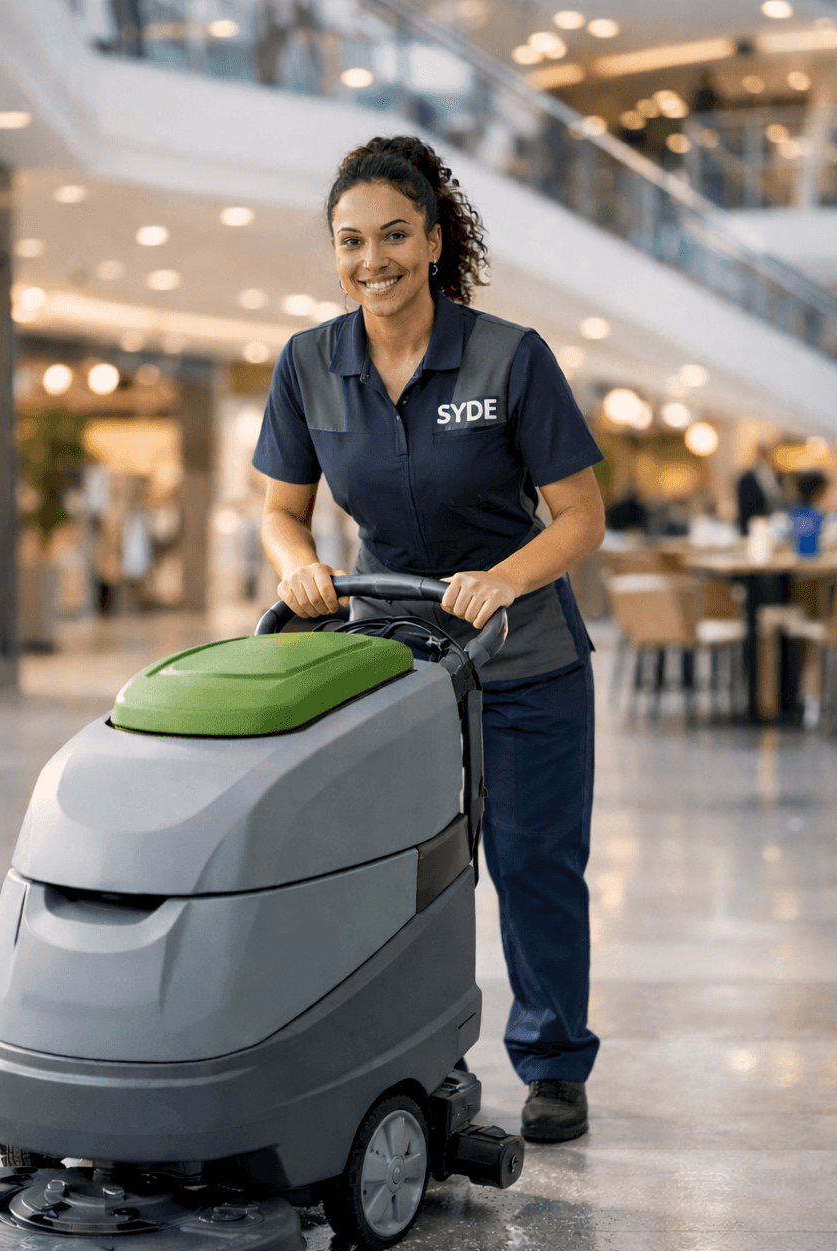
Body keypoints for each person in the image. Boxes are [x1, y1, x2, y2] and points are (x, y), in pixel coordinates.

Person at [254, 135, 605, 1143]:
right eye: (353, 241)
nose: (375, 259)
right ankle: (407, 1052)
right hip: (395, 666)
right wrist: (296, 561)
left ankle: (552, 1063)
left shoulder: (508, 357)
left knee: (533, 861)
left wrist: (503, 578)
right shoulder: (309, 364)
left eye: (395, 235)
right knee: (402, 866)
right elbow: (280, 510)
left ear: (433, 239)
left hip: (525, 655)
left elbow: (580, 518)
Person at [736, 443, 783, 535]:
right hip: (753, 525)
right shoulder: (747, 479)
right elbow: (744, 507)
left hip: (772, 526)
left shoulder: (775, 477)